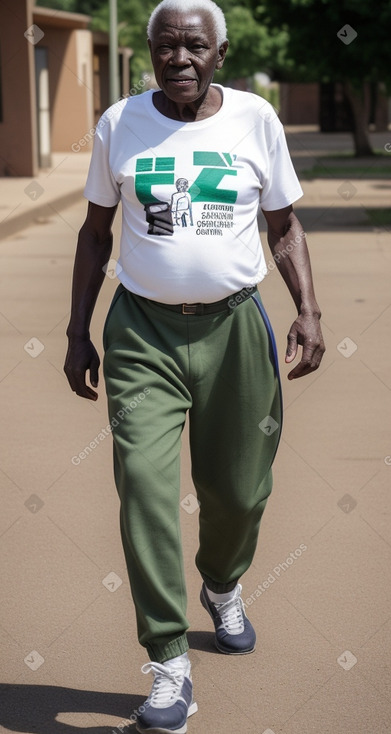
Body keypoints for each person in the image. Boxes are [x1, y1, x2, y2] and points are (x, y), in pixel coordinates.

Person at [64, 0, 325, 731]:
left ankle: (222, 581)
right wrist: (75, 331)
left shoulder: (254, 120)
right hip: (141, 331)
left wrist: (308, 309)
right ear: (149, 52)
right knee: (144, 489)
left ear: (220, 52)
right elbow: (94, 232)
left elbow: (284, 226)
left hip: (236, 328)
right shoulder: (119, 124)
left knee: (239, 489)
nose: (178, 59)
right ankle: (169, 665)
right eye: (165, 47)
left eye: (193, 47)